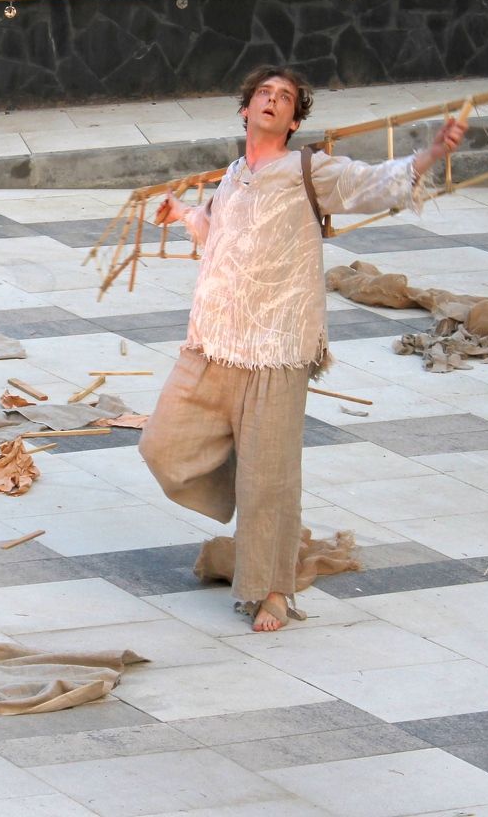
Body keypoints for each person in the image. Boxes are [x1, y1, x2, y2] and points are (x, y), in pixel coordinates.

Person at [139, 65, 467, 632]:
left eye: (285, 97)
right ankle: (254, 497)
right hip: (213, 342)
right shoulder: (235, 175)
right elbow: (217, 230)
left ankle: (272, 590)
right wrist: (183, 212)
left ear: (293, 120)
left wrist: (431, 153)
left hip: (279, 346)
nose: (272, 101)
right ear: (245, 110)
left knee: (270, 480)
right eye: (263, 94)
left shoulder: (308, 171)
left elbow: (374, 182)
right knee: (163, 446)